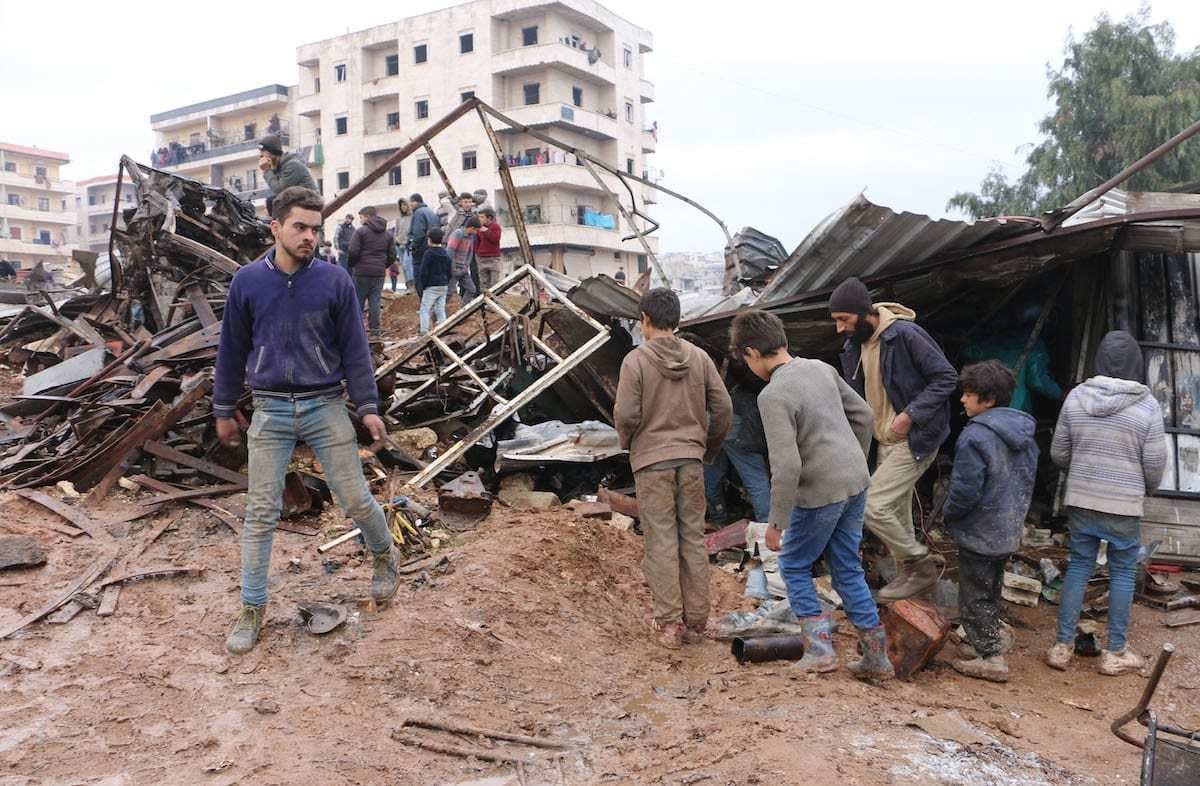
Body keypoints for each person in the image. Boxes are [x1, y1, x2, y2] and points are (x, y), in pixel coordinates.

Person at [212, 186, 399, 655]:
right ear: (274, 227)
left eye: (315, 229)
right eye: (300, 227)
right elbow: (231, 351)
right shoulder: (248, 283)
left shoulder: (334, 281)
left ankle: (383, 556)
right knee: (259, 513)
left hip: (325, 406)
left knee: (355, 498)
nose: (309, 237)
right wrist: (222, 408)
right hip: (271, 410)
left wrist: (369, 407)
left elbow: (356, 350)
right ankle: (252, 607)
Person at [732, 309, 893, 680]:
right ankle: (876, 657)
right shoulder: (821, 367)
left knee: (793, 564)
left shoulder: (773, 395)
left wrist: (776, 523)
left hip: (820, 492)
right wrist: (851, 457)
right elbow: (865, 416)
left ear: (752, 353)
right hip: (855, 481)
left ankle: (820, 650)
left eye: (745, 358)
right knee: (847, 566)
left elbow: (786, 467)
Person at [614, 288, 732, 649]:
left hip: (652, 462)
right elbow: (723, 408)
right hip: (691, 461)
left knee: (661, 539)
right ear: (677, 320)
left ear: (645, 320)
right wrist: (706, 450)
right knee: (692, 539)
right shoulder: (699, 358)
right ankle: (697, 620)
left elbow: (626, 414)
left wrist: (629, 444)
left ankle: (669, 623)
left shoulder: (635, 361)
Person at [1047, 331, 1167, 676]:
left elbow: (1058, 453)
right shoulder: (1147, 406)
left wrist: (1084, 471)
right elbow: (1155, 463)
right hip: (1123, 503)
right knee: (1123, 572)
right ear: (1136, 364)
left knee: (1080, 566)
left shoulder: (1076, 398)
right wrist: (1145, 488)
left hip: (1082, 498)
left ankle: (1061, 646)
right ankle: (1115, 652)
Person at [830, 277, 957, 601]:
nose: (840, 328)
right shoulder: (853, 348)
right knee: (896, 514)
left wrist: (910, 413)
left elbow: (946, 377)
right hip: (884, 440)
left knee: (873, 506)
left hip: (915, 438)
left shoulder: (904, 335)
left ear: (864, 313)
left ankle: (920, 564)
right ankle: (910, 579)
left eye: (843, 320)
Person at [943, 361, 1038, 683]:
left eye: (969, 394)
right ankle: (984, 643)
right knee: (991, 588)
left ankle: (990, 657)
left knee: (975, 594)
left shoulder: (976, 437)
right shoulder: (1024, 432)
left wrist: (950, 514)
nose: (962, 400)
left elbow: (965, 490)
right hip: (1008, 525)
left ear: (988, 400)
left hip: (980, 529)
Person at [703, 375, 771, 523]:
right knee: (754, 476)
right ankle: (766, 522)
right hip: (733, 419)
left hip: (707, 419)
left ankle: (718, 517)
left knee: (710, 473)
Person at [347, 205, 396, 337]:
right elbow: (392, 255)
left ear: (367, 217)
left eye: (361, 217)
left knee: (358, 303)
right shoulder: (387, 234)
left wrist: (353, 264)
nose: (360, 220)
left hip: (361, 272)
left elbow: (352, 251)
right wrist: (382, 265)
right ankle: (375, 332)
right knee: (375, 302)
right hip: (378, 273)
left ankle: (356, 332)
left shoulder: (360, 232)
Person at [258, 134, 317, 214]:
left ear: (273, 152)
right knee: (270, 202)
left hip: (310, 203)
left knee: (272, 202)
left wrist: (267, 170)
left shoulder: (293, 165)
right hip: (297, 199)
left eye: (263, 151)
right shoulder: (279, 167)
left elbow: (279, 190)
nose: (260, 155)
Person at [418, 228, 451, 334]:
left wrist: (423, 285)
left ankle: (424, 331)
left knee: (424, 309)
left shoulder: (428, 254)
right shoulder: (446, 253)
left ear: (429, 240)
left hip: (431, 285)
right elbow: (449, 270)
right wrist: (446, 281)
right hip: (443, 285)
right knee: (440, 308)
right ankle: (443, 329)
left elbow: (423, 271)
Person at [407, 194, 439, 299]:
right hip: (432, 248)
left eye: (411, 202)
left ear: (416, 202)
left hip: (421, 251)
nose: (409, 205)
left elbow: (418, 233)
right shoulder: (430, 211)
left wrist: (413, 246)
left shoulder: (418, 213)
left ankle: (425, 305)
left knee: (420, 278)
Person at [446, 216, 480, 303]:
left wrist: (466, 266)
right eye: (476, 230)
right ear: (472, 228)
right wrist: (453, 268)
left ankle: (463, 311)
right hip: (454, 267)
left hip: (463, 268)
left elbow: (470, 252)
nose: (476, 233)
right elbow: (450, 251)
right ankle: (435, 313)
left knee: (472, 289)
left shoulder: (471, 236)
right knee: (448, 293)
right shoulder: (458, 233)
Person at [475, 207, 504, 289]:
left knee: (494, 282)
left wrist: (486, 231)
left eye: (482, 217)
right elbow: (477, 241)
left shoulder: (495, 227)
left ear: (489, 218)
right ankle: (485, 300)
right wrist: (477, 252)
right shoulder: (479, 228)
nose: (480, 219)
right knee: (483, 282)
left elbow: (495, 239)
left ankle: (494, 300)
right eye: (479, 217)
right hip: (481, 258)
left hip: (493, 258)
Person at [392, 198, 414, 289]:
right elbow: (396, 231)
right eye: (401, 205)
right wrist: (395, 239)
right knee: (404, 267)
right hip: (398, 245)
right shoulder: (398, 219)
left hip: (408, 245)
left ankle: (412, 285)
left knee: (407, 264)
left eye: (404, 205)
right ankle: (408, 285)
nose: (403, 207)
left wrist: (409, 241)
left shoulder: (412, 217)